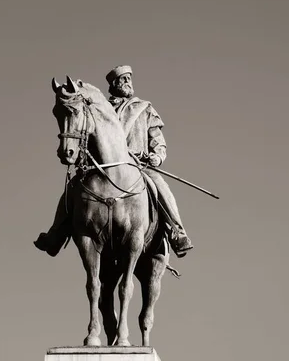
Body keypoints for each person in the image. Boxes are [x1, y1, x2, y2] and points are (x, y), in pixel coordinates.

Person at [34, 65, 194, 258]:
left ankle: (178, 232)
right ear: (113, 85)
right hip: (102, 167)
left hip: (138, 165)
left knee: (159, 185)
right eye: (122, 79)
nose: (127, 82)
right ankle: (55, 235)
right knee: (73, 188)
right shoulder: (101, 109)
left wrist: (156, 156)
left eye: (129, 78)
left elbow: (157, 140)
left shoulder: (143, 108)